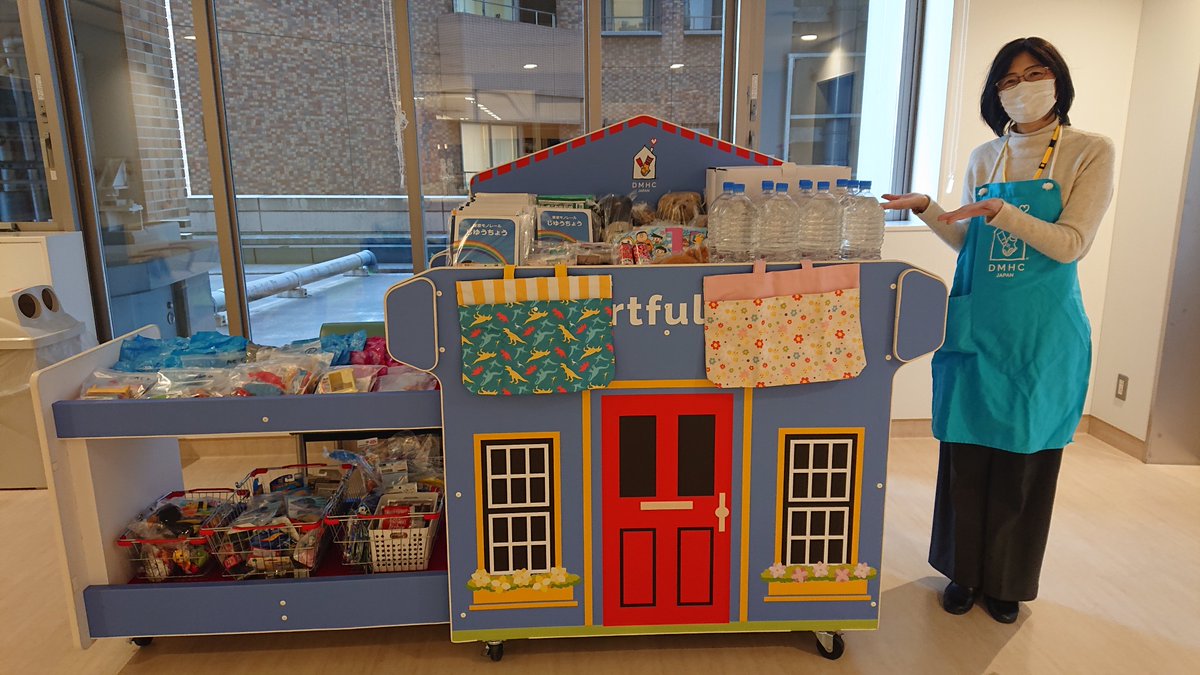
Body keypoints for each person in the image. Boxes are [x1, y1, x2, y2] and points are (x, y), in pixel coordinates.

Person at [881, 37, 1115, 624]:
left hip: (1040, 333)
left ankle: (1006, 582)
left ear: (1058, 79)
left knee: (1023, 459)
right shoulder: (986, 156)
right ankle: (961, 572)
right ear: (996, 94)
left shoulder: (1089, 151)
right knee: (966, 453)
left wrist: (1003, 212)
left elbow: (1071, 244)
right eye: (1009, 81)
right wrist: (928, 207)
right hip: (979, 323)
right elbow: (971, 240)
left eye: (1034, 74)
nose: (1022, 88)